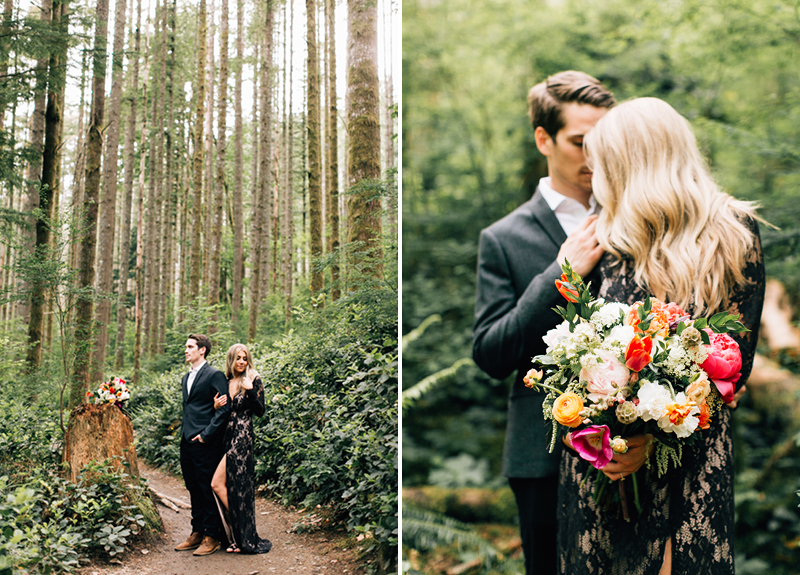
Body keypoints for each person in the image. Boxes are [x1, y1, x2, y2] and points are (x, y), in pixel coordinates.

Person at [556, 97, 765, 575]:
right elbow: (571, 360)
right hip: (603, 468)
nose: (595, 171)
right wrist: (607, 441)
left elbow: (735, 368)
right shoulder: (601, 240)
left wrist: (649, 436)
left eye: (603, 161)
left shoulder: (733, 233)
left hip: (691, 458)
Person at [472, 70, 614, 574]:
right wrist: (561, 273)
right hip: (544, 452)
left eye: (604, 141)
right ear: (544, 140)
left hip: (640, 445)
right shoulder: (503, 238)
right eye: (580, 142)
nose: (595, 156)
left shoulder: (636, 219)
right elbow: (490, 353)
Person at [210, 343, 272, 554]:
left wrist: (251, 391)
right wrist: (216, 407)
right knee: (233, 488)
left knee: (218, 484)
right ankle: (238, 536)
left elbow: (261, 410)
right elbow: (223, 413)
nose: (241, 362)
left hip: (242, 439)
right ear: (231, 360)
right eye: (238, 358)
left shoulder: (252, 379)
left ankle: (243, 535)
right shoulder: (227, 382)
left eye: (244, 358)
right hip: (226, 438)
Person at [174, 334, 231, 556]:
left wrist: (206, 435)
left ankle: (212, 535)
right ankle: (196, 532)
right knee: (193, 487)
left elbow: (224, 409)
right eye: (186, 346)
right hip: (186, 441)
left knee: (207, 489)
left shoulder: (214, 375)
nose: (186, 350)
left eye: (190, 347)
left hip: (205, 442)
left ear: (202, 350)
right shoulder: (185, 378)